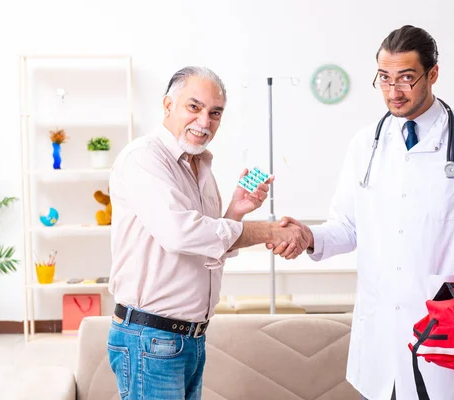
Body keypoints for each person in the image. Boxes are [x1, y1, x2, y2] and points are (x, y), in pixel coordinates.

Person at [268, 25, 454, 400]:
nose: (393, 92)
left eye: (406, 79)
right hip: (380, 338)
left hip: (449, 333)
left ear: (433, 74)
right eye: (384, 78)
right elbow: (347, 226)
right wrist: (309, 236)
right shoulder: (366, 144)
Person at [106, 66, 311, 400]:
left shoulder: (198, 165)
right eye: (194, 107)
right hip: (150, 338)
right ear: (167, 105)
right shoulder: (144, 159)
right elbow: (180, 234)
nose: (205, 122)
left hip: (187, 338)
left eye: (215, 113)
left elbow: (204, 246)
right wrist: (267, 231)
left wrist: (235, 211)